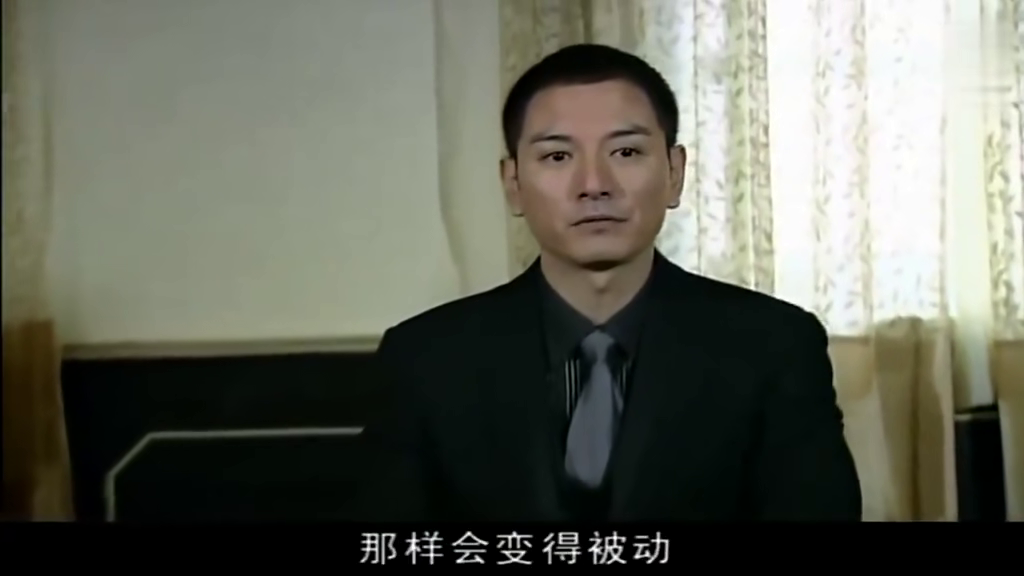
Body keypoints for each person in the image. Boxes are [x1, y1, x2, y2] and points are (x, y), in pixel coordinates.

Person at [356, 43, 861, 522]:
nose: (594, 184)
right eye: (558, 157)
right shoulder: (424, 359)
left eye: (626, 152)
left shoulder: (775, 346)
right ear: (513, 184)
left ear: (674, 172)